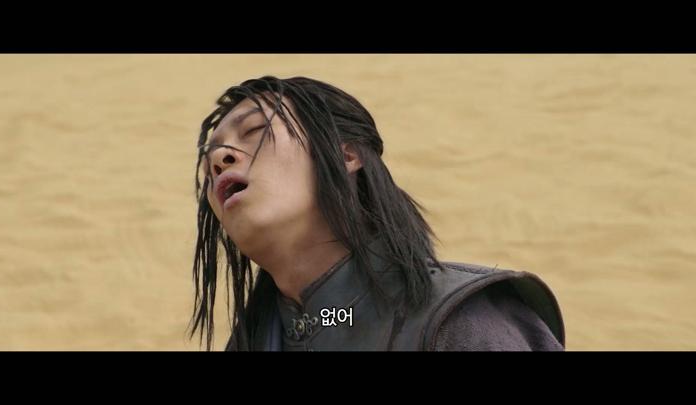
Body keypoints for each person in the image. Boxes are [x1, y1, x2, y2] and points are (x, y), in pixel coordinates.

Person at [189, 76, 565, 351]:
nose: (220, 159)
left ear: (346, 155)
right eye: (210, 166)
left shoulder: (460, 320)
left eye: (255, 130)